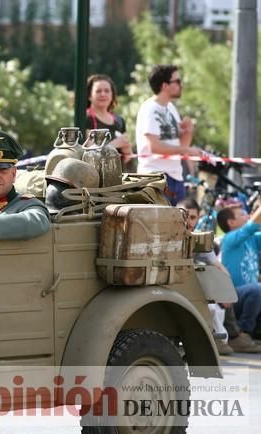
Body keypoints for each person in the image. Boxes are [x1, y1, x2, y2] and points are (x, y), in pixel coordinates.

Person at [176, 198, 260, 354]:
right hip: (173, 287)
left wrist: (225, 288)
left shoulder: (198, 240)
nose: (188, 221)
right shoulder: (166, 237)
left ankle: (232, 336)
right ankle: (225, 335)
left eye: (193, 217)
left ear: (198, 218)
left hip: (194, 291)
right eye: (184, 216)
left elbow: (218, 266)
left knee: (217, 281)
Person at [135, 64, 202, 205]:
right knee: (159, 226)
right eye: (177, 81)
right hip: (155, 178)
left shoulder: (170, 108)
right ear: (165, 85)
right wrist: (186, 150)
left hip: (175, 177)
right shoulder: (150, 108)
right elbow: (155, 147)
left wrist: (188, 132)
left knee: (178, 225)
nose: (181, 85)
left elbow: (180, 146)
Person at [217, 203, 261, 350]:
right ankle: (241, 333)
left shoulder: (252, 239)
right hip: (231, 301)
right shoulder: (229, 239)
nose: (247, 216)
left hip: (251, 300)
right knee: (257, 289)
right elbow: (252, 225)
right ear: (231, 222)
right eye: (242, 214)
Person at [86, 74, 135, 172]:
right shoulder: (86, 118)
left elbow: (128, 156)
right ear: (89, 96)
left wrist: (127, 149)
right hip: (95, 177)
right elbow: (90, 152)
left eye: (107, 91)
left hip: (119, 175)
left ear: (112, 95)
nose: (103, 94)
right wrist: (115, 144)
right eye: (98, 91)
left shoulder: (119, 120)